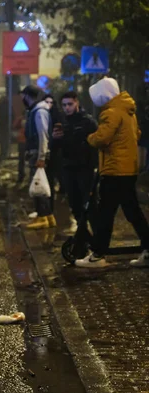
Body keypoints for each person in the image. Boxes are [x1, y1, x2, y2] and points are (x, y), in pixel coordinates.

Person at [75, 77, 149, 268]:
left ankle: (98, 255)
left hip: (115, 170)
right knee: (133, 212)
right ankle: (148, 250)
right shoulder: (127, 111)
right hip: (128, 169)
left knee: (105, 214)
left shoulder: (112, 112)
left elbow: (102, 138)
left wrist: (89, 138)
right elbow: (136, 134)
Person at [52, 91, 98, 234]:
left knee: (90, 205)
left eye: (70, 104)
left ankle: (98, 238)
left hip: (85, 168)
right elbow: (56, 149)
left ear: (77, 102)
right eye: (64, 105)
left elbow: (96, 145)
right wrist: (55, 139)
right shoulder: (62, 122)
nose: (67, 108)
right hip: (68, 168)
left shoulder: (88, 121)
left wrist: (95, 167)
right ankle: (83, 235)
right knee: (74, 204)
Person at [21, 86, 56, 229]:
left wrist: (41, 157)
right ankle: (48, 216)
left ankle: (42, 217)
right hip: (36, 153)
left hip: (38, 154)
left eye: (24, 96)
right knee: (41, 184)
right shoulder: (37, 111)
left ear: (29, 96)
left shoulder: (39, 112)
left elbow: (43, 136)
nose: (23, 99)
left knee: (38, 186)